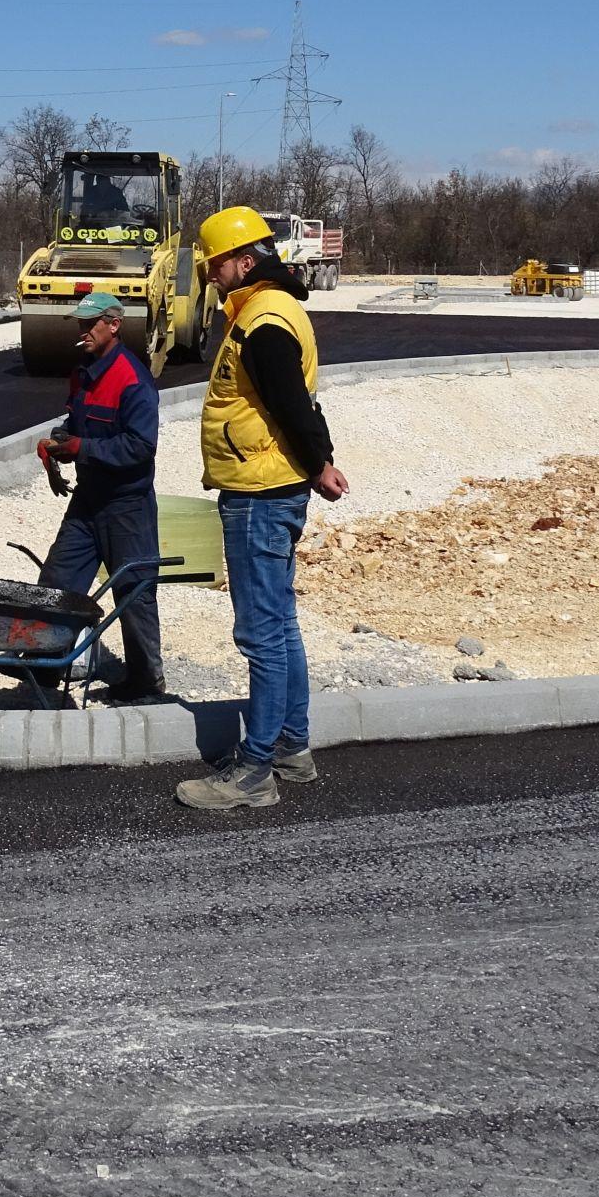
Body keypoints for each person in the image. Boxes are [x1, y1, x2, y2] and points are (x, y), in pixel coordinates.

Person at [176, 207, 349, 813]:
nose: (212, 276)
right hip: (273, 486)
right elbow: (297, 400)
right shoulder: (272, 311)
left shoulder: (264, 321)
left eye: (217, 264)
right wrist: (320, 462)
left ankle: (255, 772)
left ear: (246, 261)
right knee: (280, 625)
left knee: (260, 634)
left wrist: (318, 459)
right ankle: (292, 748)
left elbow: (291, 404)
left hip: (258, 493)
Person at [35, 290, 165, 702]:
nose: (83, 330)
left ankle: (147, 682)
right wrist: (57, 445)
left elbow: (141, 447)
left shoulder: (133, 379)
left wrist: (82, 449)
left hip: (127, 505)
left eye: (91, 323)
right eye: (80, 323)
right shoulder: (84, 373)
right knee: (59, 581)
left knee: (134, 593)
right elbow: (76, 424)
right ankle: (43, 664)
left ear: (114, 325)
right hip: (89, 499)